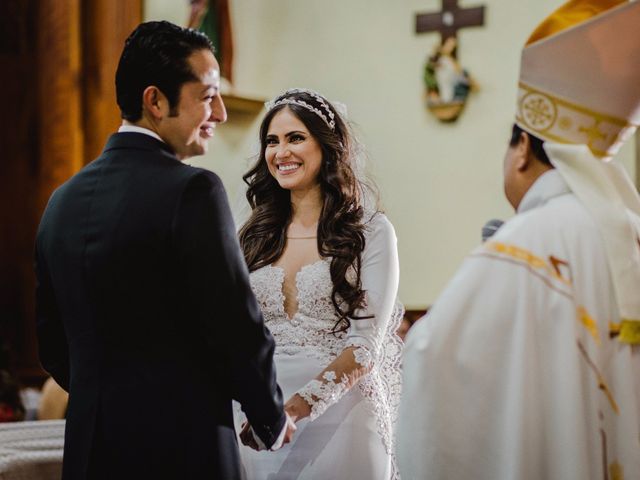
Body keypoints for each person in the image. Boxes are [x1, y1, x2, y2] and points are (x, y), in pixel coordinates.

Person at [34, 21, 293, 480]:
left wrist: (108, 397)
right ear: (155, 101)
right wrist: (270, 418)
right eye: (207, 95)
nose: (220, 113)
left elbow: (52, 344)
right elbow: (235, 324)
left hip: (90, 454)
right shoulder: (193, 191)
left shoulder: (61, 200)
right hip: (182, 449)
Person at [398, 1, 640, 478]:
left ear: (523, 148)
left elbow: (440, 366)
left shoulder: (526, 243)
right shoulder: (629, 233)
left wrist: (410, 339)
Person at [236, 88, 403, 479]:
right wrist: (263, 412)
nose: (281, 152)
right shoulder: (253, 237)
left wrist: (294, 409)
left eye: (296, 138)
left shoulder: (370, 232)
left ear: (327, 147)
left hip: (340, 418)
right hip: (256, 420)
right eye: (272, 141)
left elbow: (365, 347)